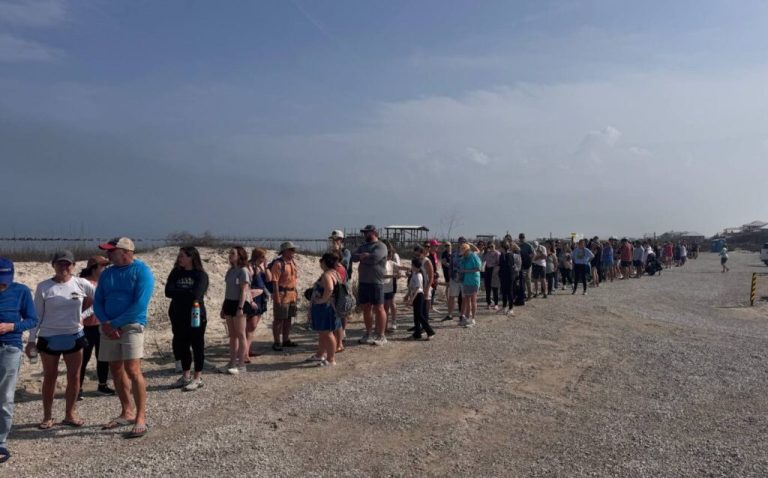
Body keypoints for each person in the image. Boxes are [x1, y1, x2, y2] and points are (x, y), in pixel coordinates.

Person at [94, 237, 154, 439]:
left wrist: (116, 324)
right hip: (109, 326)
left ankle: (140, 416)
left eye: (112, 251)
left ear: (126, 251)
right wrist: (105, 323)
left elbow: (140, 303)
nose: (108, 255)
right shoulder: (107, 273)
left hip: (131, 325)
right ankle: (126, 410)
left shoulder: (142, 271)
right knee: (115, 368)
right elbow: (98, 301)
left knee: (133, 369)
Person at [29, 250, 95, 429]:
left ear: (73, 266)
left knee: (74, 377)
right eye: (60, 263)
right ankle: (47, 416)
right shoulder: (44, 286)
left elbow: (100, 300)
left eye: (67, 264)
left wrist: (85, 314)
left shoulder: (81, 283)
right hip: (49, 337)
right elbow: (37, 315)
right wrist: (31, 339)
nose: (63, 267)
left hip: (75, 335)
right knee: (50, 376)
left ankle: (70, 414)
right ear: (53, 265)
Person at [0, 257, 38, 463]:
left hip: (9, 347)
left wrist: (11, 327)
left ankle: (1, 441)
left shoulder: (21, 291)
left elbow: (32, 320)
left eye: (4, 279)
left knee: (5, 397)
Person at [165, 246, 209, 391]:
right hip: (178, 314)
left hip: (195, 314)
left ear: (191, 258)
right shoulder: (176, 272)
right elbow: (168, 291)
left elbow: (196, 294)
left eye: (183, 256)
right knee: (182, 345)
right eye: (179, 255)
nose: (180, 258)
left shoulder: (200, 275)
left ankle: (198, 377)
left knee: (197, 345)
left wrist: (181, 293)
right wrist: (186, 292)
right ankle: (185, 376)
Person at [78, 255, 114, 400]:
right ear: (93, 268)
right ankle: (77, 388)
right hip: (85, 327)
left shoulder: (104, 283)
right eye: (103, 266)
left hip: (101, 325)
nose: (105, 269)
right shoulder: (82, 283)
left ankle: (102, 385)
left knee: (103, 357)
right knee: (83, 359)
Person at [352, 225, 388, 346]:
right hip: (363, 282)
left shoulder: (381, 246)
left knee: (379, 308)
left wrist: (363, 257)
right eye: (364, 232)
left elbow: (375, 258)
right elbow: (353, 257)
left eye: (367, 232)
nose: (365, 234)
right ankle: (368, 333)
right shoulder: (362, 246)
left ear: (373, 232)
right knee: (366, 308)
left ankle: (381, 335)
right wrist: (363, 256)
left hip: (376, 282)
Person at [308, 253, 342, 366]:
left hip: (325, 307)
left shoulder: (327, 275)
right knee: (323, 332)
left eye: (322, 260)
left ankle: (331, 359)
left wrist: (322, 300)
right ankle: (320, 354)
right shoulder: (336, 273)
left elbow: (329, 288)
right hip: (331, 307)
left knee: (328, 333)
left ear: (325, 262)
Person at [221, 247, 251, 373]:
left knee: (240, 334)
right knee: (232, 335)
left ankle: (241, 364)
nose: (230, 255)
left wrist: (240, 307)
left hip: (239, 304)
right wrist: (223, 307)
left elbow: (244, 290)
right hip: (229, 302)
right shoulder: (230, 271)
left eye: (233, 253)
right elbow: (227, 290)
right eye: (230, 253)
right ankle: (232, 362)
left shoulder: (243, 271)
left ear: (240, 256)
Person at [271, 242, 299, 351]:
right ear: (285, 251)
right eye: (291, 250)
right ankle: (277, 341)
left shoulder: (292, 262)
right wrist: (277, 297)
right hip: (282, 295)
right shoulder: (278, 264)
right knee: (279, 319)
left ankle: (286, 340)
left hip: (292, 295)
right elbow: (275, 282)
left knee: (288, 318)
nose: (294, 252)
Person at [328, 230, 352, 348]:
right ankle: (337, 331)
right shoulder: (331, 252)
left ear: (341, 240)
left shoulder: (346, 251)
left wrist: (337, 251)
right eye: (333, 239)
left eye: (336, 239)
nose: (333, 241)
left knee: (343, 308)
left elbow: (344, 263)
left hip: (343, 283)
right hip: (333, 282)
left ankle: (343, 331)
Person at [246, 248, 271, 358]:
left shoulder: (261, 266)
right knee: (250, 326)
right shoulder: (249, 266)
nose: (264, 259)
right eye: (262, 257)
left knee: (253, 326)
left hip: (261, 297)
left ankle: (248, 349)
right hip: (253, 297)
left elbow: (269, 279)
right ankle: (244, 352)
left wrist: (265, 267)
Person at [404, 258, 435, 340]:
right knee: (416, 316)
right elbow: (411, 287)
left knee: (420, 315)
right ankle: (417, 333)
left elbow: (417, 289)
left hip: (419, 296)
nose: (411, 267)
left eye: (412, 265)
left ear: (416, 266)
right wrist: (407, 295)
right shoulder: (414, 273)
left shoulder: (419, 275)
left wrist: (411, 300)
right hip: (414, 295)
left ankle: (430, 331)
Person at [458, 243, 482, 327]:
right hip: (466, 281)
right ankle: (467, 318)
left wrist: (466, 271)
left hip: (474, 281)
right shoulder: (464, 258)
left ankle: (473, 319)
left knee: (473, 300)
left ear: (467, 250)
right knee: (467, 300)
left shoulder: (474, 256)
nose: (462, 253)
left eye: (463, 251)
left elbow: (478, 268)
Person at [498, 241, 520, 316]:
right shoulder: (502, 255)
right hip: (503, 276)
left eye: (500, 247)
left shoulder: (509, 255)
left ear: (503, 247)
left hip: (509, 276)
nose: (499, 248)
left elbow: (509, 267)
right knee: (504, 292)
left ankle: (511, 309)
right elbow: (500, 265)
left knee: (510, 292)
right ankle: (504, 307)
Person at [382, 241, 400, 333]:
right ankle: (384, 326)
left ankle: (392, 322)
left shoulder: (394, 257)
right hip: (386, 284)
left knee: (390, 304)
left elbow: (398, 268)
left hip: (392, 283)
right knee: (386, 306)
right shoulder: (383, 261)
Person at [482, 243, 501, 309]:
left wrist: (496, 271)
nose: (491, 247)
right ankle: (488, 303)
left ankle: (496, 304)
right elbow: (483, 259)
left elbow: (499, 263)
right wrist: (485, 251)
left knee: (495, 288)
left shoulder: (497, 253)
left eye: (492, 246)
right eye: (489, 246)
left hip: (494, 271)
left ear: (495, 246)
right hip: (487, 270)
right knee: (488, 288)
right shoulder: (487, 253)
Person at [518, 233, 534, 300]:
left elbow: (533, 254)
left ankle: (530, 295)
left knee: (528, 279)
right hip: (520, 265)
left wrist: (530, 261)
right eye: (521, 237)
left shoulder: (528, 245)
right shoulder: (518, 245)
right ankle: (523, 293)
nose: (522, 239)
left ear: (524, 238)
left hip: (528, 265)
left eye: (523, 237)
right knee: (522, 280)